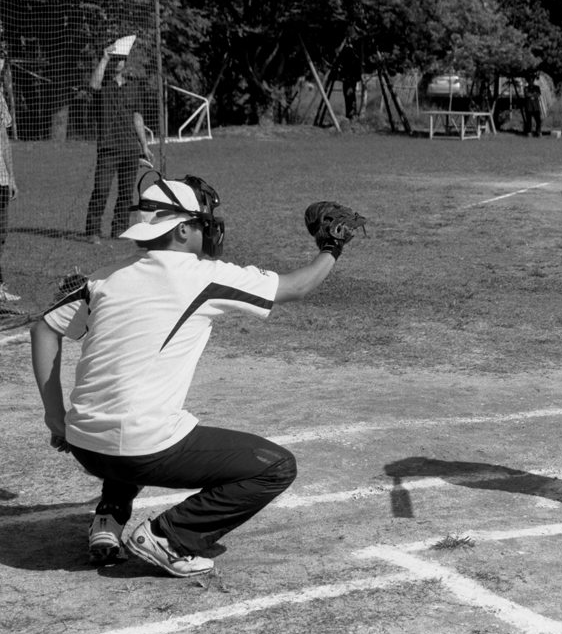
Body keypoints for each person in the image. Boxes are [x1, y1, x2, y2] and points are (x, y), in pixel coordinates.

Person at [31, 174, 357, 577]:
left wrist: (54, 416)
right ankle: (170, 537)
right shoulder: (203, 275)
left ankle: (108, 519)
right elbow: (296, 287)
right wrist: (333, 246)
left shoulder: (103, 277)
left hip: (83, 445)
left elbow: (44, 328)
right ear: (183, 229)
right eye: (202, 222)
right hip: (139, 451)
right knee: (274, 466)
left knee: (132, 411)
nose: (208, 228)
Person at [83, 37, 154, 243]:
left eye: (120, 59)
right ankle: (92, 231)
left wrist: (144, 145)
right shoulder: (102, 84)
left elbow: (137, 117)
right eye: (114, 59)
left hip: (130, 149)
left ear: (125, 62)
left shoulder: (133, 86)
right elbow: (92, 87)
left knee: (126, 193)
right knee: (101, 190)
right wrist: (104, 58)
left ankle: (120, 229)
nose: (117, 63)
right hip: (108, 148)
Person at [0, 56, 19, 303]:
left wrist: (11, 177)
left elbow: (4, 140)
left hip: (1, 178)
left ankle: (0, 284)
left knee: (1, 233)